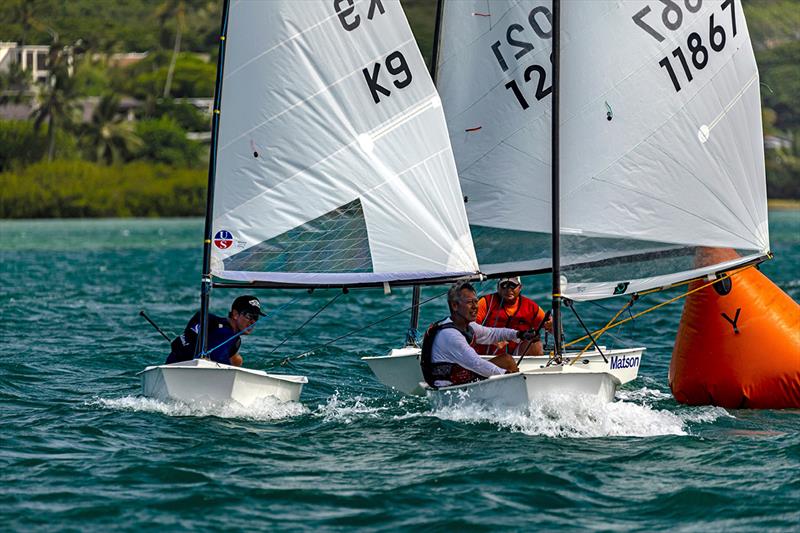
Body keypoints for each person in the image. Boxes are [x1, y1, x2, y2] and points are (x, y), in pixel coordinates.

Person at [420, 281, 539, 388]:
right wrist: (507, 376)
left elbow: (492, 334)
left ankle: (515, 391)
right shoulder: (450, 335)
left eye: (476, 302)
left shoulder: (467, 326)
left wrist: (519, 334)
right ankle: (517, 392)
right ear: (454, 306)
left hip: (461, 380)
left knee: (506, 360)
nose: (475, 307)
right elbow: (476, 363)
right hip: (449, 388)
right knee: (506, 364)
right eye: (469, 303)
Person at [165, 295, 266, 367]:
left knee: (237, 360)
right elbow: (219, 359)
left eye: (256, 318)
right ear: (235, 314)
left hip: (172, 369)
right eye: (249, 316)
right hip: (190, 374)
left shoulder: (209, 320)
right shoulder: (226, 334)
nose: (253, 322)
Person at [475, 276, 551, 356]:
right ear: (498, 287)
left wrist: (551, 325)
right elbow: (472, 328)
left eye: (512, 285)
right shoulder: (486, 302)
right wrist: (492, 339)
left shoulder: (531, 307)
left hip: (518, 357)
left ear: (520, 287)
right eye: (504, 285)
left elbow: (551, 326)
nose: (508, 290)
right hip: (487, 357)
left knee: (536, 344)